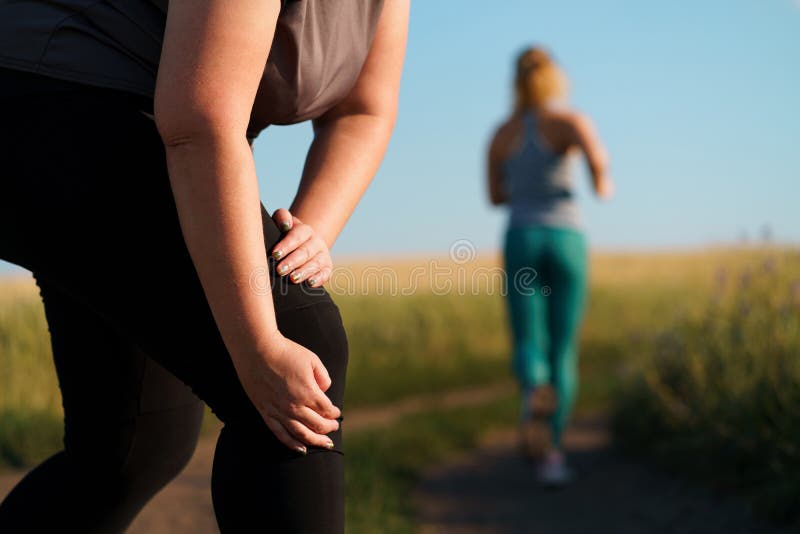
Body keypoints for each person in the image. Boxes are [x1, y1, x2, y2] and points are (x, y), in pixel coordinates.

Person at [0, 0, 409, 532]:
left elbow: (363, 109)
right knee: (298, 348)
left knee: (139, 442)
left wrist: (309, 234)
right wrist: (258, 343)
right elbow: (199, 120)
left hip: (131, 118)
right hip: (47, 102)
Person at [486, 46, 613, 487]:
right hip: (566, 238)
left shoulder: (500, 134)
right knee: (564, 346)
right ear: (555, 78)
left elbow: (495, 197)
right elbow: (599, 168)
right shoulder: (571, 122)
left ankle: (533, 385)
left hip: (521, 237)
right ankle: (553, 454)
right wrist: (601, 181)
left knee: (528, 338)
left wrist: (522, 184)